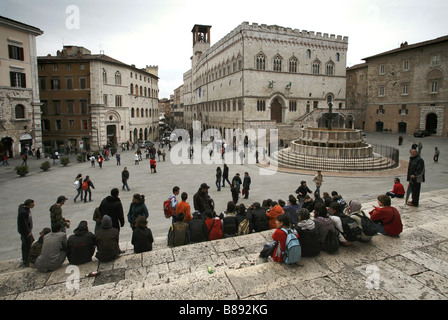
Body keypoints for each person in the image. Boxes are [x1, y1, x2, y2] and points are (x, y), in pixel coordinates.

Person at [17, 199, 35, 267]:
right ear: (28, 205)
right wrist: (28, 232)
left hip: (26, 231)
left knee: (26, 245)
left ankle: (26, 259)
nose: (33, 206)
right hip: (26, 232)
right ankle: (27, 260)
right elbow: (24, 223)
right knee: (29, 245)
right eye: (32, 205)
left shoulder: (23, 208)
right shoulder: (23, 213)